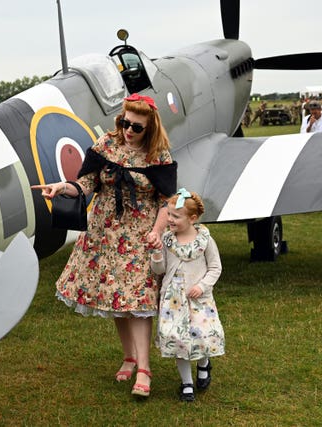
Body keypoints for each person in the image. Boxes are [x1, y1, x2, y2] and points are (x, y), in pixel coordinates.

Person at [32, 93, 177, 398]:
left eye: (136, 127)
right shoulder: (105, 146)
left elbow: (167, 201)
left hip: (140, 236)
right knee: (117, 300)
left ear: (150, 127)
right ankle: (129, 357)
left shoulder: (159, 155)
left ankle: (144, 370)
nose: (128, 130)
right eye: (125, 123)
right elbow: (86, 184)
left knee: (138, 304)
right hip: (104, 233)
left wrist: (157, 230)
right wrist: (63, 188)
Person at [150, 189, 225, 402]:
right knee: (178, 341)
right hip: (173, 300)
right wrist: (156, 253)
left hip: (198, 300)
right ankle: (187, 384)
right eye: (169, 215)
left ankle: (203, 364)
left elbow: (215, 267)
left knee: (201, 336)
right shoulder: (167, 240)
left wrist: (202, 286)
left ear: (192, 218)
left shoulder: (205, 240)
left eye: (175, 216)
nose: (170, 220)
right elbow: (159, 269)